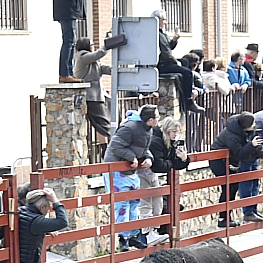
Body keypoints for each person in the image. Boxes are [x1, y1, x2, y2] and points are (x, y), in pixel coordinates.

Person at [103, 105, 155, 251]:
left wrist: (148, 158)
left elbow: (144, 148)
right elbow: (115, 146)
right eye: (156, 117)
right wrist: (131, 157)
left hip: (130, 172)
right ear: (150, 119)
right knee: (122, 205)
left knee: (134, 203)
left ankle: (132, 236)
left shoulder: (146, 129)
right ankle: (123, 238)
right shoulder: (130, 127)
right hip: (117, 170)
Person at [17, 187, 68, 263]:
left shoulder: (21, 211)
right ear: (42, 207)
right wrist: (55, 201)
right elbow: (63, 222)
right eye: (49, 209)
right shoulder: (36, 221)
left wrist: (45, 229)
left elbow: (26, 229)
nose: (48, 212)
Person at [211, 111, 258, 229]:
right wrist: (251, 145)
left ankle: (227, 217)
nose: (255, 125)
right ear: (246, 125)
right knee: (227, 188)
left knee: (233, 186)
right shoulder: (232, 135)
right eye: (253, 124)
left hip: (229, 161)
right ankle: (223, 218)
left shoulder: (240, 130)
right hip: (219, 161)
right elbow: (239, 153)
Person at [152, 9, 204, 113]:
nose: (165, 22)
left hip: (166, 61)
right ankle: (189, 101)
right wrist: (176, 62)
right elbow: (166, 54)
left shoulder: (162, 33)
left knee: (185, 62)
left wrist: (174, 40)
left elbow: (169, 47)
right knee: (188, 72)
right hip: (162, 64)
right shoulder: (156, 33)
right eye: (164, 20)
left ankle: (189, 88)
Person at [146, 115, 189, 237]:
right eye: (173, 131)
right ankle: (149, 234)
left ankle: (156, 232)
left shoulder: (170, 142)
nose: (176, 134)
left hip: (153, 175)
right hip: (145, 173)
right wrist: (172, 163)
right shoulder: (156, 140)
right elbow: (159, 165)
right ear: (167, 130)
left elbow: (173, 163)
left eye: (178, 132)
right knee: (148, 205)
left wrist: (184, 159)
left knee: (158, 204)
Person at [74, 39, 111, 139]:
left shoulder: (91, 60)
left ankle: (107, 144)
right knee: (103, 123)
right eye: (91, 44)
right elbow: (99, 54)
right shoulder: (82, 56)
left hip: (98, 95)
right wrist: (108, 45)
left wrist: (117, 69)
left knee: (109, 119)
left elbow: (102, 68)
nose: (93, 46)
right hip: (91, 96)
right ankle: (107, 147)